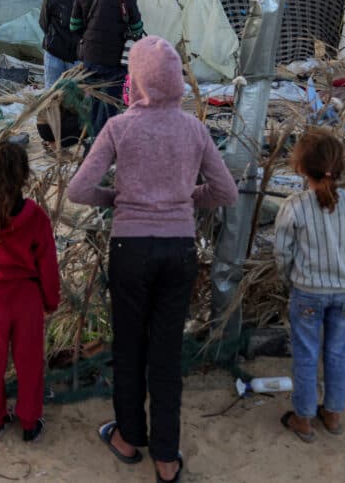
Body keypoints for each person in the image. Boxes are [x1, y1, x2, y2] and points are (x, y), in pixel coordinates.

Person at [67, 36, 237, 483]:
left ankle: (127, 438)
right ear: (177, 79)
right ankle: (166, 459)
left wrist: (120, 198)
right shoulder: (194, 129)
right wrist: (184, 197)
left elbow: (79, 190)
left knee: (129, 347)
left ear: (136, 79)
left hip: (130, 248)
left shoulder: (120, 127)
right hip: (179, 249)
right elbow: (226, 193)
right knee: (165, 354)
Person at [274, 128, 345, 443]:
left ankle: (302, 419)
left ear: (300, 167)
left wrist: (292, 279)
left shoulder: (294, 205)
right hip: (344, 293)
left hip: (307, 293)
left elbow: (282, 253)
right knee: (338, 353)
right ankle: (332, 414)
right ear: (339, 165)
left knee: (305, 353)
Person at [0, 142, 60, 443]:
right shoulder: (35, 217)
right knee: (29, 361)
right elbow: (48, 264)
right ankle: (29, 421)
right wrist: (51, 300)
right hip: (26, 297)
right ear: (24, 175)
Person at [68, 0, 144, 139]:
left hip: (90, 58)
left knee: (93, 103)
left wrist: (89, 37)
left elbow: (73, 26)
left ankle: (93, 144)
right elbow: (137, 27)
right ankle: (103, 148)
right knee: (110, 106)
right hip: (114, 59)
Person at [40, 0, 91, 89]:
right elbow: (44, 22)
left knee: (73, 96)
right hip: (54, 54)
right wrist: (54, 38)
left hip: (75, 57)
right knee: (51, 93)